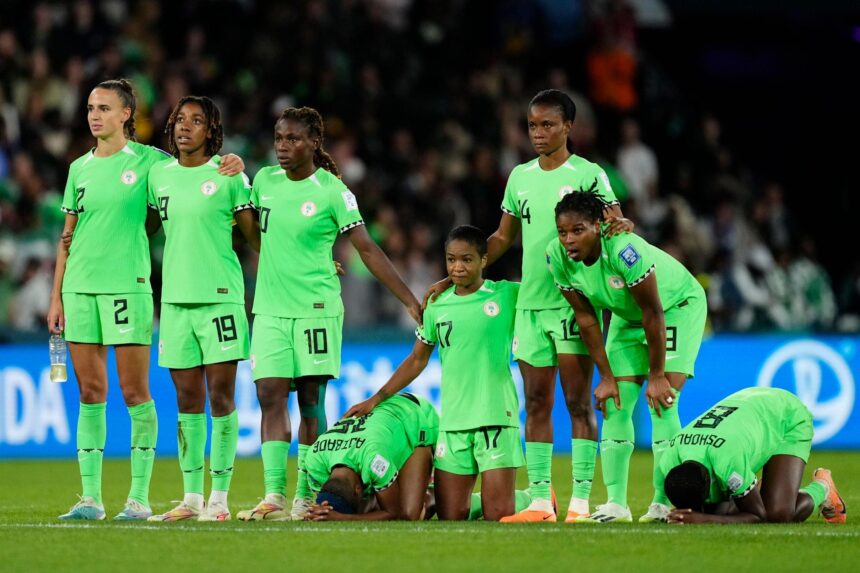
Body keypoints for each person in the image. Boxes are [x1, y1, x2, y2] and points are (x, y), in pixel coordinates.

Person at [426, 89, 632, 523]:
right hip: (531, 305)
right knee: (537, 403)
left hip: (573, 304)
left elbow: (614, 222)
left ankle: (579, 501)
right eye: (532, 126)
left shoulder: (589, 173)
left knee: (578, 403)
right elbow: (502, 238)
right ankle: (540, 501)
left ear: (568, 127)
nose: (538, 133)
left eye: (547, 125)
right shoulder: (519, 176)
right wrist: (458, 273)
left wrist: (621, 224)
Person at [48, 79, 242, 521]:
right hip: (79, 288)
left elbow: (191, 174)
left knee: (136, 392)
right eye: (90, 107)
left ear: (125, 115)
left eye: (104, 108)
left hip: (128, 288)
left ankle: (138, 497)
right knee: (89, 392)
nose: (94, 115)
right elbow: (66, 239)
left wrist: (232, 161)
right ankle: (91, 498)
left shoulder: (153, 164)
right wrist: (55, 296)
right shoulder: (78, 168)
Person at [237, 107, 422, 521]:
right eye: (279, 138)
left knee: (309, 400)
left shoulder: (333, 192)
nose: (283, 147)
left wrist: (408, 300)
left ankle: (305, 494)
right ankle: (273, 495)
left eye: (294, 139)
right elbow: (252, 231)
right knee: (268, 394)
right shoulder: (264, 181)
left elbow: (367, 249)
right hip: (269, 308)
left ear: (314, 143)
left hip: (315, 310)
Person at [346, 225, 532, 521]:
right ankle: (509, 500)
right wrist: (377, 398)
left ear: (484, 260)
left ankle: (532, 500)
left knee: (499, 517)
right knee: (449, 516)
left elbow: (545, 288)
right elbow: (417, 360)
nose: (458, 267)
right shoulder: (436, 305)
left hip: (496, 416)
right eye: (451, 260)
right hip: (454, 421)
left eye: (467, 260)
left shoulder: (506, 295)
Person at [546, 190, 707, 523]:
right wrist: (605, 376)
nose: (568, 240)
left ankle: (663, 503)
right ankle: (616, 504)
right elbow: (587, 317)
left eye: (578, 230)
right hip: (626, 315)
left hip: (675, 308)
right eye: (563, 232)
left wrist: (657, 374)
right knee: (615, 406)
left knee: (663, 402)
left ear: (598, 227)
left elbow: (653, 311)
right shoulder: (556, 257)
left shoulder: (624, 249)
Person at [144, 96, 259, 522]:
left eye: (196, 121)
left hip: (221, 299)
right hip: (174, 302)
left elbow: (256, 238)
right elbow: (145, 228)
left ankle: (220, 498)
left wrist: (307, 262)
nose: (184, 127)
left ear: (211, 130)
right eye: (179, 120)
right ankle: (192, 498)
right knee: (187, 400)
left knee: (221, 396)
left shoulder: (229, 176)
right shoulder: (159, 176)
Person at [659, 387, 846, 525]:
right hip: (751, 407)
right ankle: (758, 486)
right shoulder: (669, 459)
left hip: (786, 416)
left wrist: (704, 518)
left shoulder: (728, 460)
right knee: (724, 510)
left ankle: (823, 488)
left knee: (777, 515)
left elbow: (757, 515)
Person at [302, 393, 438, 521]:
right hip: (382, 423)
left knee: (408, 514)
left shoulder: (374, 461)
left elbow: (392, 512)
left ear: (358, 489)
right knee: (366, 509)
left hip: (414, 415)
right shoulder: (314, 461)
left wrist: (342, 518)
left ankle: (433, 487)